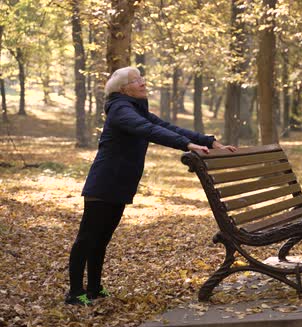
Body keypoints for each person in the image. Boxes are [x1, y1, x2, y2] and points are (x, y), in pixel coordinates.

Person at [65, 66, 236, 305]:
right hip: (104, 182)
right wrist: (186, 145)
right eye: (136, 81)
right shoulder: (120, 109)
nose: (143, 83)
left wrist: (209, 141)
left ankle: (94, 288)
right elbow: (149, 130)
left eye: (141, 78)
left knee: (102, 238)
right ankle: (74, 292)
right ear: (124, 89)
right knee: (88, 237)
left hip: (119, 183)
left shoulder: (135, 107)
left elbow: (168, 127)